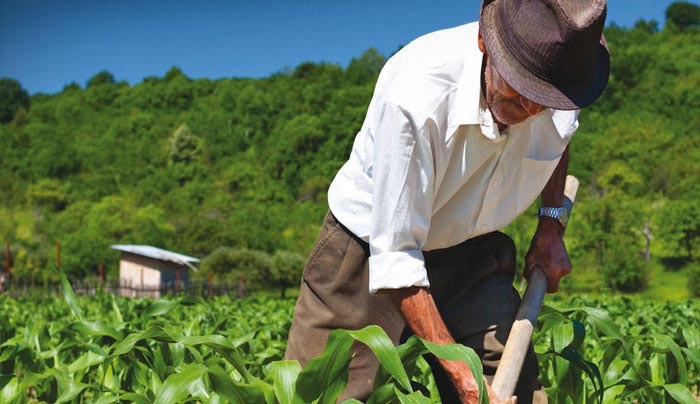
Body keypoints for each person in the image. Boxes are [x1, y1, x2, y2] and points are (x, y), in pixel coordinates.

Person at [285, 0, 609, 402]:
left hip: (473, 250)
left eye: (543, 99)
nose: (529, 109)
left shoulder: (564, 84)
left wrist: (549, 225)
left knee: (516, 392)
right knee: (327, 394)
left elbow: (559, 142)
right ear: (483, 43)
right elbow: (397, 255)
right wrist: (460, 373)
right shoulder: (415, 95)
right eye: (519, 89)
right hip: (368, 254)